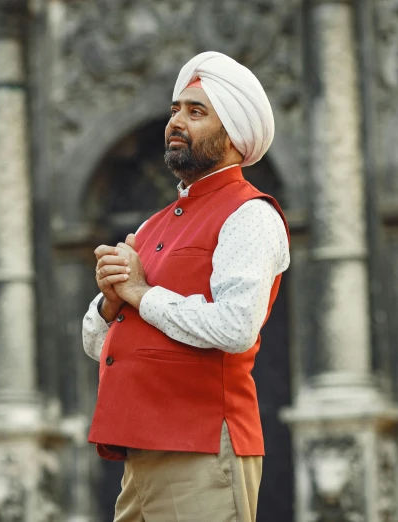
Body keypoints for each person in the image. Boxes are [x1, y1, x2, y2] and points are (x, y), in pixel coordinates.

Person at [82, 51, 290, 522]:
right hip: (140, 453)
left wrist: (139, 294)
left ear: (235, 136)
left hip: (201, 450)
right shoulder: (155, 225)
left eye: (196, 112)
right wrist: (110, 302)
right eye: (176, 109)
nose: (176, 120)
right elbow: (98, 346)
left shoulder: (250, 214)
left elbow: (236, 327)